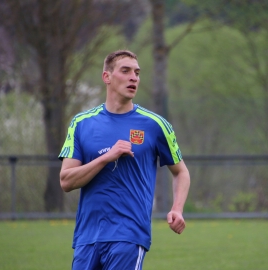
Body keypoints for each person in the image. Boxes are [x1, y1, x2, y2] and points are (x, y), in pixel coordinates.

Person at [58, 49, 190, 270]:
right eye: (126, 71)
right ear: (107, 77)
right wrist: (107, 157)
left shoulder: (155, 124)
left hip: (129, 236)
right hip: (86, 237)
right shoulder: (81, 123)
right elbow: (66, 181)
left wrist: (177, 209)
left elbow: (181, 171)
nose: (133, 77)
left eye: (137, 73)